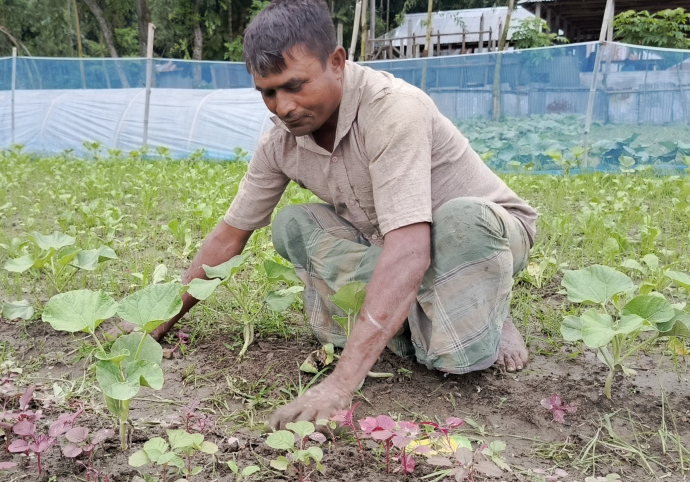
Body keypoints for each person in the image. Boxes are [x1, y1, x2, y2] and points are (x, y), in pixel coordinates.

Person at [145, 0, 537, 429]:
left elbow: (410, 249)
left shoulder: (393, 110)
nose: (283, 106)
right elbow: (230, 235)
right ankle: (424, 315)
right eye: (268, 92)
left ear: (336, 62)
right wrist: (155, 320)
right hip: (389, 242)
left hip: (481, 234)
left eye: (295, 85)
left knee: (460, 228)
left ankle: (491, 312)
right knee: (295, 224)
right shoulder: (280, 141)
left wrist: (341, 383)